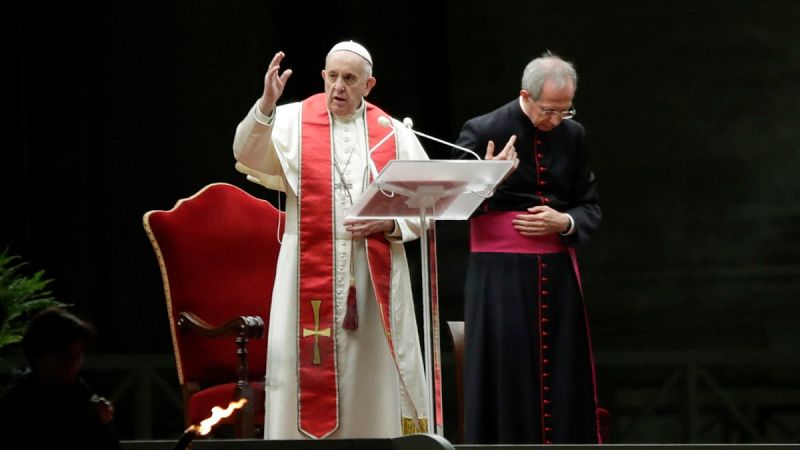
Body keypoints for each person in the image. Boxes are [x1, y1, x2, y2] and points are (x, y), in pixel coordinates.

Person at [231, 41, 433, 440]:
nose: (338, 86)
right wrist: (267, 104)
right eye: (332, 76)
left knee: (370, 378)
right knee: (299, 367)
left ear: (368, 84)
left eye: (350, 78)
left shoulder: (391, 132)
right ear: (323, 76)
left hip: (371, 276)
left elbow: (423, 206)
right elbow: (246, 153)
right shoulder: (290, 122)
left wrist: (388, 226)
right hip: (303, 268)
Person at [453, 50, 603, 444]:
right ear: (526, 95)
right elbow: (449, 205)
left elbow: (590, 206)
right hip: (498, 277)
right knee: (507, 374)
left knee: (563, 375)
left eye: (564, 111)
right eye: (549, 111)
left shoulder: (574, 135)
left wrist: (564, 221)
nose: (556, 121)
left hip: (556, 278)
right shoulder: (483, 128)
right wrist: (490, 180)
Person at [0, 307, 121, 450]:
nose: (73, 364)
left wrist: (103, 421)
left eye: (78, 355)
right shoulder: (18, 401)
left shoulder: (77, 391)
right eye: (64, 356)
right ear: (39, 356)